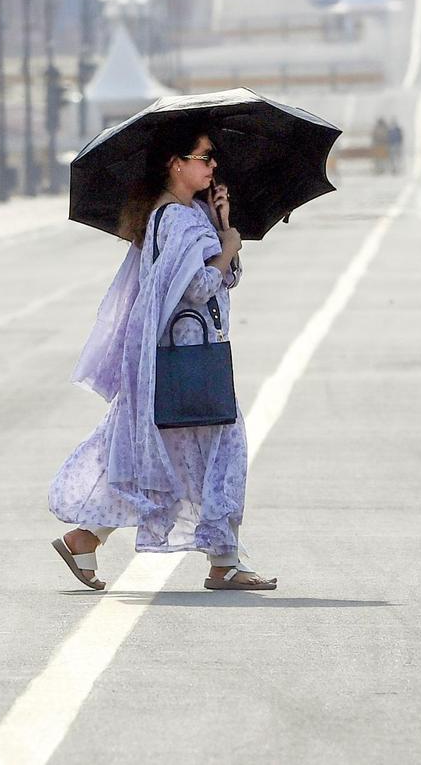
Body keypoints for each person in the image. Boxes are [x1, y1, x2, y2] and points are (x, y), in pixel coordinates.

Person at [48, 115, 277, 592]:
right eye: (205, 156)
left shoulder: (190, 214)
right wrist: (226, 247)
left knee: (159, 459)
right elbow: (196, 286)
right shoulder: (172, 218)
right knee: (219, 450)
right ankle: (224, 562)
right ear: (176, 164)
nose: (214, 165)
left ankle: (85, 539)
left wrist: (223, 227)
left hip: (180, 360)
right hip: (185, 362)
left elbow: (221, 281)